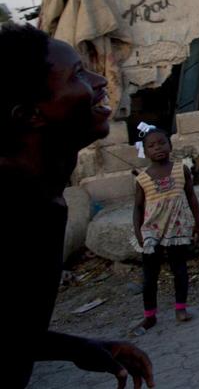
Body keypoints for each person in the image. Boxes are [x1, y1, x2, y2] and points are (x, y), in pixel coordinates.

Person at [0, 22, 154, 388]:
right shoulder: (14, 208)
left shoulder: (37, 194)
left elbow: (12, 332)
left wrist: (80, 348)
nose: (100, 81)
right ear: (30, 116)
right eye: (78, 75)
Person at [131, 123, 199, 335]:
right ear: (145, 151)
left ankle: (180, 309)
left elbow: (191, 197)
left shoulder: (182, 169)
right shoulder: (142, 178)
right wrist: (138, 232)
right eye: (152, 145)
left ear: (170, 145)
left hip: (177, 227)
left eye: (162, 142)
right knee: (150, 274)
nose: (158, 148)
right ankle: (149, 316)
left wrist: (198, 223)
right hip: (151, 230)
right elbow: (137, 207)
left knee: (179, 268)